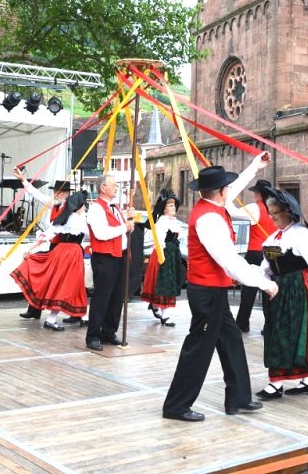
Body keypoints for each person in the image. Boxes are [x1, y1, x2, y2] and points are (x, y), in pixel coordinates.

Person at [162, 156, 278, 422]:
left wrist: (254, 166)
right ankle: (176, 406)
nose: (229, 191)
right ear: (221, 192)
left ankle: (238, 397)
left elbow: (233, 190)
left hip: (213, 291)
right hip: (207, 292)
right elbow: (229, 261)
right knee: (198, 349)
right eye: (227, 188)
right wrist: (264, 283)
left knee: (232, 341)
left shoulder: (211, 205)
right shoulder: (209, 219)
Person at [256, 189, 308, 399]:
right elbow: (265, 268)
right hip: (278, 291)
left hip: (298, 290)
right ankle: (306, 381)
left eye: (275, 213)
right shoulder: (272, 239)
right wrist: (263, 282)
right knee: (277, 333)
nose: (272, 218)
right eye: (270, 214)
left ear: (287, 212)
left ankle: (279, 383)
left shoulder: (302, 235)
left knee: (294, 335)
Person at [8, 191, 89, 330]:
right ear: (79, 205)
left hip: (63, 251)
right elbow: (92, 234)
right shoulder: (77, 219)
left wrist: (30, 248)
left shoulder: (65, 218)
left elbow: (47, 235)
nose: (85, 207)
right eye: (84, 204)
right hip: (71, 254)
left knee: (75, 285)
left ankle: (83, 316)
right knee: (67, 286)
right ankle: (51, 320)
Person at [14, 167, 71, 321]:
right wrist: (23, 180)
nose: (55, 194)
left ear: (66, 194)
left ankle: (78, 315)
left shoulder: (70, 210)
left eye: (59, 192)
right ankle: (34, 309)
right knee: (39, 271)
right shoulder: (55, 205)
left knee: (66, 282)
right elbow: (37, 194)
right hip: (54, 248)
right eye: (55, 192)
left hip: (65, 250)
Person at [85, 174, 135, 351]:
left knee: (117, 297)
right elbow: (101, 233)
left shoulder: (115, 208)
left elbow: (123, 232)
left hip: (120, 255)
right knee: (102, 297)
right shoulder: (96, 209)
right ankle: (93, 335)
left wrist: (129, 222)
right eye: (113, 185)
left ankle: (109, 332)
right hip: (105, 257)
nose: (116, 188)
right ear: (103, 187)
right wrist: (124, 227)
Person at [226, 179, 277, 333]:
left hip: (256, 251)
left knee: (249, 289)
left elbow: (232, 212)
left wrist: (228, 194)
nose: (254, 195)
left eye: (255, 192)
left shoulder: (256, 207)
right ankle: (270, 325)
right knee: (270, 289)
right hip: (273, 253)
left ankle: (242, 323)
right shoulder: (276, 207)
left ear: (260, 194)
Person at [141, 190, 186, 327]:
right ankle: (164, 313)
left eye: (174, 205)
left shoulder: (173, 221)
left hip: (173, 253)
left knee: (170, 283)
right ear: (164, 208)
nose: (173, 207)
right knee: (165, 283)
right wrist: (162, 257)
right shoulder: (162, 221)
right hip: (164, 253)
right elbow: (159, 240)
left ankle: (156, 306)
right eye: (170, 205)